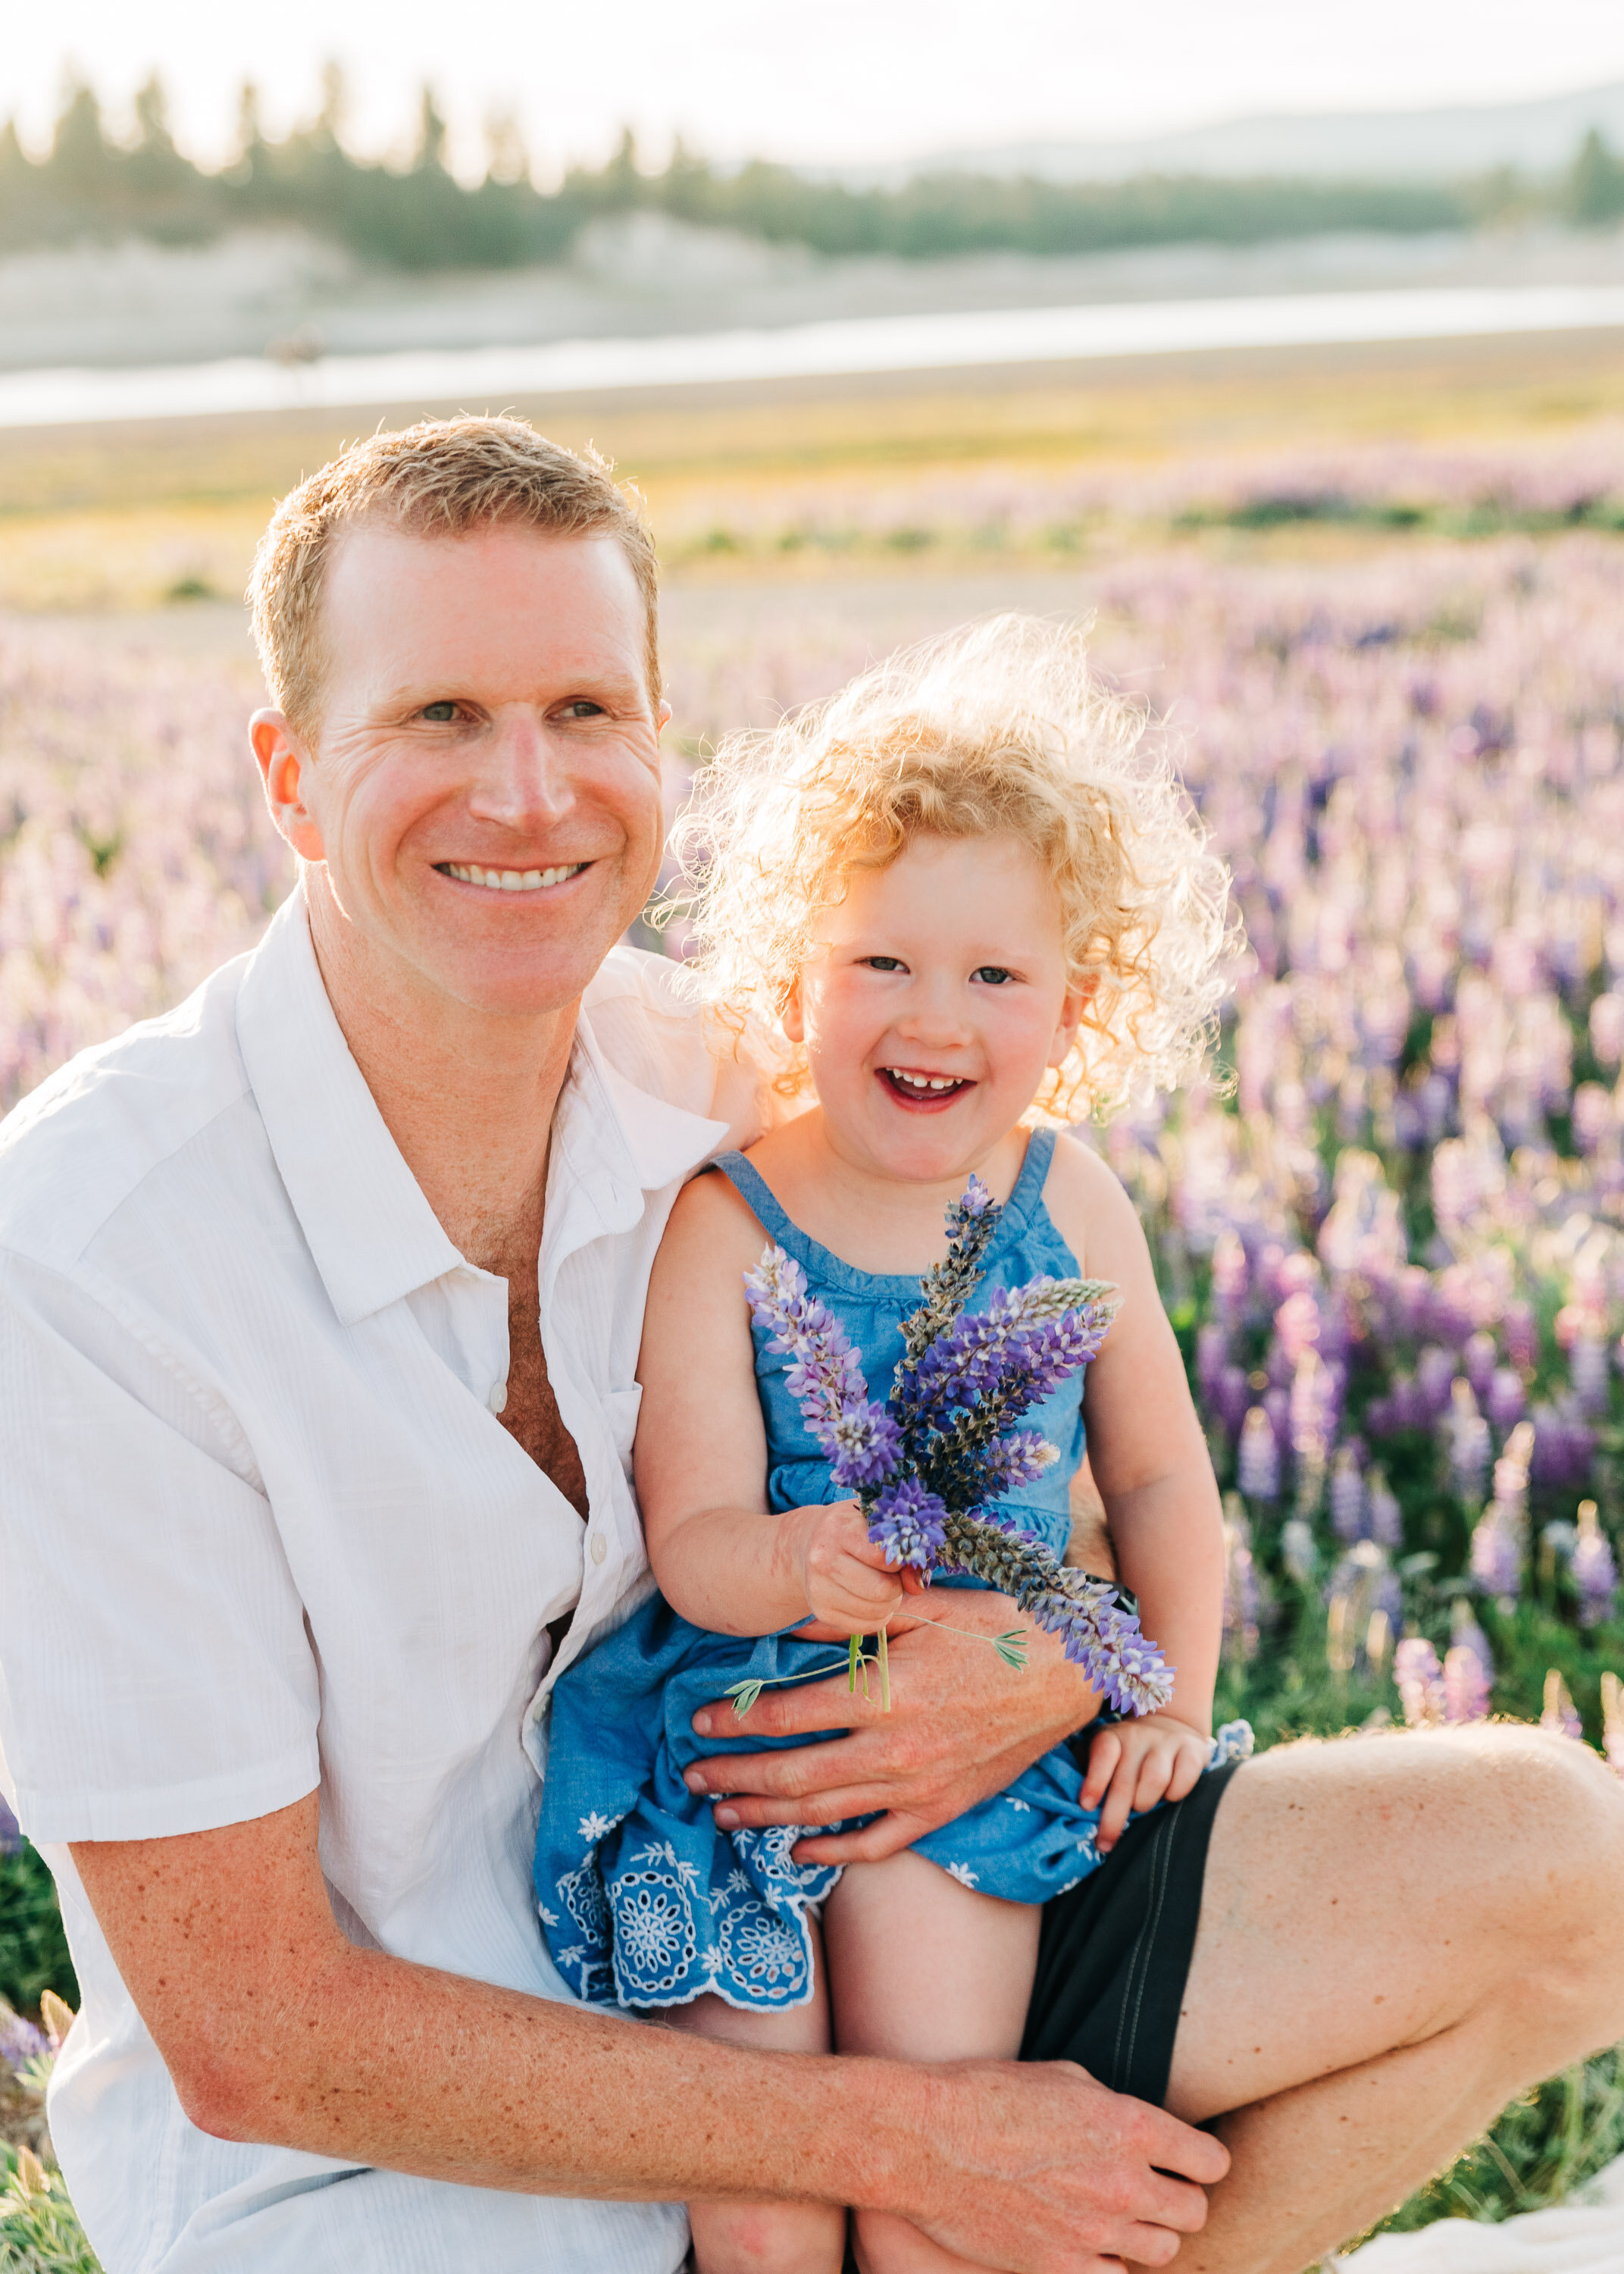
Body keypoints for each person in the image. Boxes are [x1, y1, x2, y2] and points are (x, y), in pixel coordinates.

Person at [0, 415, 1620, 2274]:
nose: (527, 794)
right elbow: (257, 2032)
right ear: (288, 777)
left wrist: (1040, 1652)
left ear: (659, 748)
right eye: (437, 717)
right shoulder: (91, 1257)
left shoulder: (731, 1078)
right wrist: (925, 2145)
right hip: (406, 2177)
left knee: (1559, 1863)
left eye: (587, 712)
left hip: (854, 1908)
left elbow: (1017, 1464)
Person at [535, 619, 1243, 2274]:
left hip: (980, 1745)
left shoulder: (1069, 1199)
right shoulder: (731, 1221)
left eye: (995, 976)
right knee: (767, 2209)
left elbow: (1155, 1486)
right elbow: (695, 1524)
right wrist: (789, 1559)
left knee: (944, 2168)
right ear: (794, 976)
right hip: (740, 1743)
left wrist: (1170, 1695)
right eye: (883, 964)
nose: (936, 1015)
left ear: (1077, 1009)